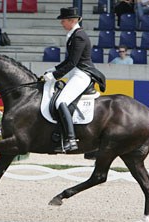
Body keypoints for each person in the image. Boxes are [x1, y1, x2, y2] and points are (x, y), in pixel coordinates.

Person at [43, 7, 106, 153]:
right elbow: (68, 60)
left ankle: (71, 139)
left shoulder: (79, 36)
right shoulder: (73, 34)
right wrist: (54, 68)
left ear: (72, 21)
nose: (62, 24)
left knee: (60, 101)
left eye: (63, 21)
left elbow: (73, 62)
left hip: (82, 74)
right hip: (75, 73)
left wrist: (55, 76)